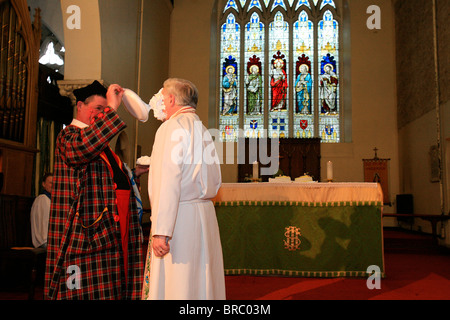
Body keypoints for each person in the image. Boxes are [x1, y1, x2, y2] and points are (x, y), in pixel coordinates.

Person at [44, 80, 144, 300]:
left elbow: (106, 180)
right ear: (80, 106)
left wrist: (135, 173)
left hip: (110, 235)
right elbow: (82, 149)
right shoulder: (68, 137)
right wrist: (113, 108)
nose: (101, 114)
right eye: (97, 109)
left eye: (104, 109)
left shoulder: (101, 145)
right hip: (83, 239)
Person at [142, 78, 225, 300]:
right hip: (204, 215)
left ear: (171, 99)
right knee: (201, 280)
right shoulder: (204, 130)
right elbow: (216, 179)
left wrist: (162, 230)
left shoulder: (170, 128)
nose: (159, 101)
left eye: (162, 96)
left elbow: (167, 180)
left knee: (178, 284)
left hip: (178, 218)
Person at [30, 173, 53, 248]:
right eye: (51, 183)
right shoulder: (43, 199)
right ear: (43, 184)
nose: (53, 185)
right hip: (44, 242)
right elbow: (45, 224)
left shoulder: (47, 199)